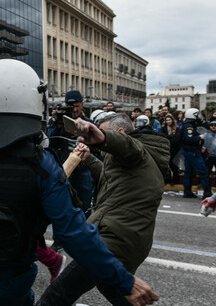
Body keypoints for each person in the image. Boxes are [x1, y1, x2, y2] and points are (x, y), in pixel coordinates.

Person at [0, 59, 158, 306]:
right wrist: (124, 280)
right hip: (13, 288)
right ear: (34, 99)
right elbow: (76, 235)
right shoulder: (42, 165)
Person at [38, 113, 169, 305]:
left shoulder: (136, 152)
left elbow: (127, 145)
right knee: (113, 287)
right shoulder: (131, 163)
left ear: (121, 132)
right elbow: (110, 180)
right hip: (127, 239)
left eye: (104, 131)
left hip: (115, 240)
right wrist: (89, 159)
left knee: (58, 294)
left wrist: (103, 138)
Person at [47, 90, 94, 217]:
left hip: (82, 171)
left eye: (77, 106)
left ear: (82, 105)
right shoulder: (58, 123)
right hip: (62, 170)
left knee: (84, 210)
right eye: (70, 106)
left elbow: (96, 148)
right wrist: (57, 125)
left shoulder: (88, 123)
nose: (74, 109)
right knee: (62, 210)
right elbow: (49, 142)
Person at [180, 108, 212, 199]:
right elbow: (189, 139)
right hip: (193, 153)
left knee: (188, 173)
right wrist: (200, 137)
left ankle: (187, 191)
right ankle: (207, 192)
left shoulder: (189, 125)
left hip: (190, 152)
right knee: (203, 172)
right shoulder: (189, 126)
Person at [160, 113, 181, 184]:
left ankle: (175, 180)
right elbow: (162, 137)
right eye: (167, 120)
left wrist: (168, 138)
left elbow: (176, 139)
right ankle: (167, 180)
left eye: (169, 120)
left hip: (174, 150)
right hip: (166, 149)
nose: (168, 121)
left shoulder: (177, 129)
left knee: (174, 166)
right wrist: (169, 137)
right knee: (166, 166)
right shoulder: (163, 128)